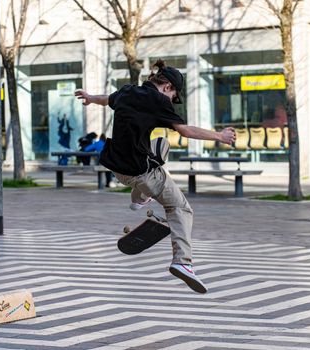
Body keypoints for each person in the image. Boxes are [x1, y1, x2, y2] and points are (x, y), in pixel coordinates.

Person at [74, 59, 236, 294]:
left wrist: (90, 98)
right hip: (142, 174)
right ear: (168, 87)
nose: (171, 102)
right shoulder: (159, 101)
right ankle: (183, 261)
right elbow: (185, 131)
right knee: (181, 208)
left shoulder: (128, 91)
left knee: (159, 145)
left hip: (118, 169)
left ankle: (139, 199)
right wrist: (219, 137)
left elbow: (106, 99)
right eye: (173, 96)